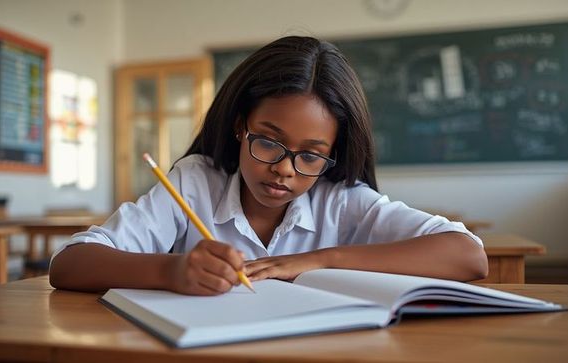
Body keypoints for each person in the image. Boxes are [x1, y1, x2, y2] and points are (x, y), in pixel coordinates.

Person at [49, 36, 488, 295]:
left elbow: (468, 256)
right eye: (269, 142)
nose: (285, 170)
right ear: (241, 127)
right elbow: (69, 264)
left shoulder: (341, 198)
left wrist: (319, 261)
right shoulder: (196, 181)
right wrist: (172, 270)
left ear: (333, 152)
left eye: (311, 155)